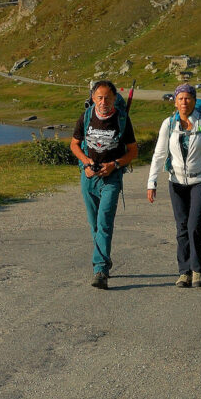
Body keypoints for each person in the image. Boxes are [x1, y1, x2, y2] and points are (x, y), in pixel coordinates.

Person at [146, 83, 201, 288]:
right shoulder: (168, 124)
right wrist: (151, 182)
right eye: (180, 98)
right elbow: (159, 154)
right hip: (176, 182)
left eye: (188, 98)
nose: (184, 102)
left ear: (194, 101)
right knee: (181, 227)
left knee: (194, 225)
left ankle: (197, 270)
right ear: (175, 102)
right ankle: (184, 273)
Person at [70, 80, 139, 290]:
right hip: (89, 177)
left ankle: (100, 270)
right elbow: (74, 144)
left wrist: (114, 165)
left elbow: (133, 151)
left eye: (107, 97)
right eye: (99, 97)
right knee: (95, 225)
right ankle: (104, 259)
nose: (103, 102)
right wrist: (86, 163)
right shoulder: (87, 116)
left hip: (112, 178)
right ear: (92, 98)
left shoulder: (122, 119)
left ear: (114, 99)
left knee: (105, 223)